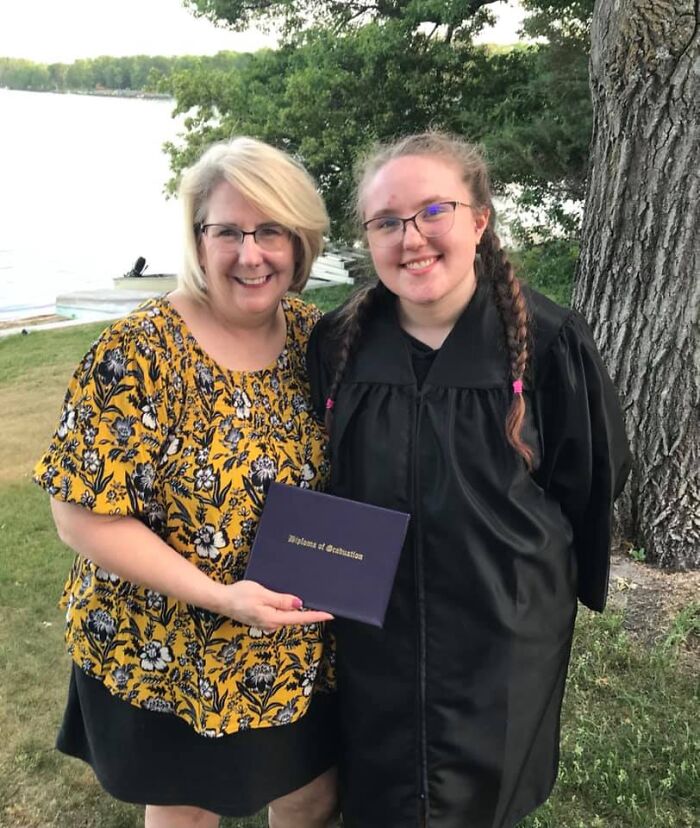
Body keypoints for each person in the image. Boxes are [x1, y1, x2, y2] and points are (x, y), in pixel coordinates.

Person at [306, 132, 631, 828]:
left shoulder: (548, 342)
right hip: (375, 625)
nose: (410, 238)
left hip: (502, 621)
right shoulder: (338, 343)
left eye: (433, 211)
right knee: (383, 793)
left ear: (479, 219)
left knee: (482, 797)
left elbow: (591, 477)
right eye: (387, 222)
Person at [34, 136, 339, 828]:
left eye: (270, 231)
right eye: (227, 231)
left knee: (314, 796)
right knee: (188, 814)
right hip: (171, 649)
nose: (250, 253)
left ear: (300, 242)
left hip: (296, 643)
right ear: (198, 241)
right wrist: (220, 596)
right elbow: (79, 517)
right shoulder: (137, 352)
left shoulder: (316, 339)